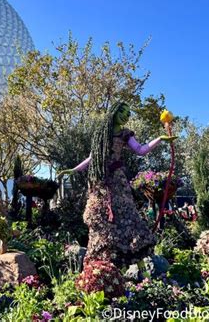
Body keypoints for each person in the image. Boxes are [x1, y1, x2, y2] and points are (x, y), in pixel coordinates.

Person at [58, 102, 176, 267]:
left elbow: (140, 150)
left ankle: (140, 268)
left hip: (118, 182)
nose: (126, 116)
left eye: (129, 114)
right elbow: (92, 157)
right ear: (114, 112)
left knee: (126, 215)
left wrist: (160, 139)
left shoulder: (125, 134)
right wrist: (73, 170)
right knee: (101, 218)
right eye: (124, 112)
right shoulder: (102, 134)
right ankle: (102, 263)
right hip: (100, 182)